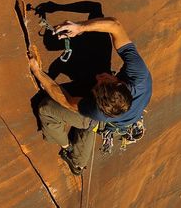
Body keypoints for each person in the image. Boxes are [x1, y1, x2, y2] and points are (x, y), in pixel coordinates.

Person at [28, 16, 152, 175]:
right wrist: (80, 27)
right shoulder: (138, 74)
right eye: (105, 78)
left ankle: (71, 153)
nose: (98, 77)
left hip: (107, 118)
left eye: (98, 84)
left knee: (47, 108)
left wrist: (38, 73)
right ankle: (90, 132)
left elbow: (65, 100)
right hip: (126, 115)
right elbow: (115, 26)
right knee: (90, 121)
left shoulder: (96, 111)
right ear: (119, 83)